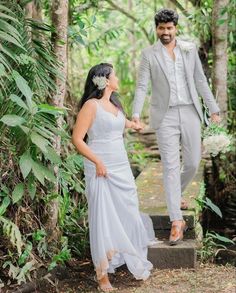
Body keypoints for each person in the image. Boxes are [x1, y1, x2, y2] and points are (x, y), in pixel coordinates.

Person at [132, 9, 221, 246]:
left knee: (192, 161)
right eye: (161, 28)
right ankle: (176, 220)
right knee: (170, 166)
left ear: (175, 28)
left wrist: (213, 109)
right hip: (165, 116)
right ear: (156, 29)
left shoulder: (189, 49)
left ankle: (176, 193)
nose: (165, 32)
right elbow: (142, 86)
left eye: (169, 28)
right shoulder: (148, 54)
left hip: (190, 110)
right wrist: (135, 114)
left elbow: (200, 80)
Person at [72, 63, 154, 292]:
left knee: (127, 210)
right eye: (115, 75)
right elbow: (77, 139)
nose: (117, 78)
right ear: (105, 81)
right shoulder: (91, 106)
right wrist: (98, 161)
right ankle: (102, 275)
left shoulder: (114, 105)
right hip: (101, 167)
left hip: (122, 167)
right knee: (103, 216)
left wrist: (136, 125)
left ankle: (113, 253)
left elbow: (122, 124)